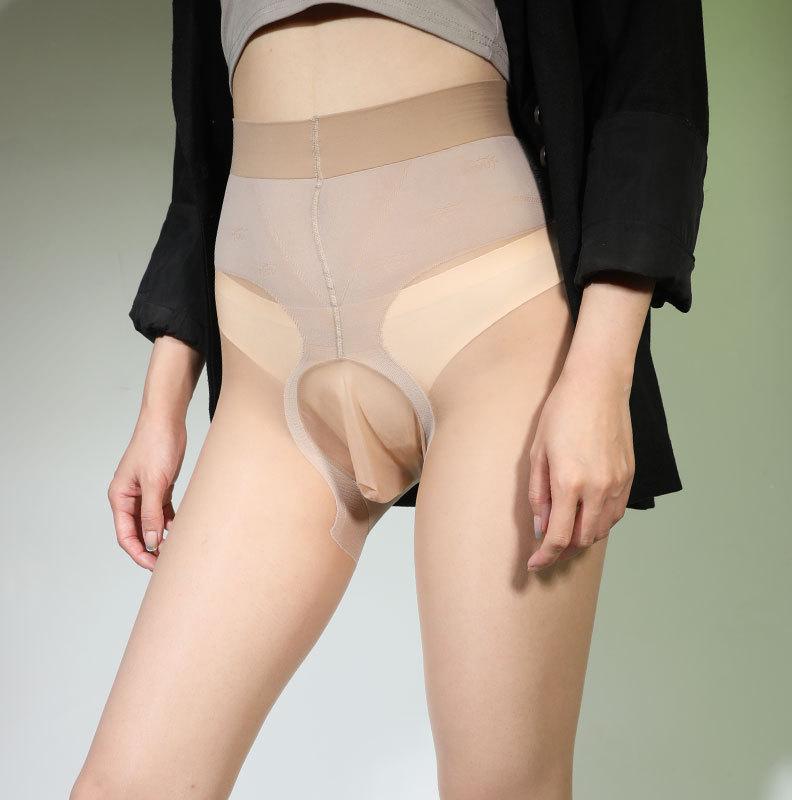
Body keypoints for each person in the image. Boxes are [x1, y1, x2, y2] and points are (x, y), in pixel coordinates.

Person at [72, 2, 709, 798]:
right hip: (267, 366)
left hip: (490, 333)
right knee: (126, 786)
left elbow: (652, 81)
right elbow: (199, 152)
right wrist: (161, 401)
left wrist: (600, 375)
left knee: (501, 789)